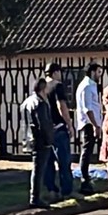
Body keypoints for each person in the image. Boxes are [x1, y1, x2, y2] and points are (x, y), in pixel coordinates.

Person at [44, 63, 78, 198]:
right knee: (64, 161)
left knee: (48, 162)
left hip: (45, 129)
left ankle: (51, 189)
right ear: (55, 72)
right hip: (58, 127)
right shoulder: (57, 86)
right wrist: (69, 124)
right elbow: (61, 105)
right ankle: (67, 191)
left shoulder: (41, 88)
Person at [21, 78, 54, 210]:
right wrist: (49, 140)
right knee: (39, 169)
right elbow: (43, 124)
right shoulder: (40, 103)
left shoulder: (26, 102)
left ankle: (35, 196)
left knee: (37, 168)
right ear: (43, 89)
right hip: (40, 140)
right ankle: (35, 197)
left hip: (30, 139)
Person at [75, 62, 104, 191]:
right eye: (98, 72)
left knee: (88, 151)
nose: (100, 75)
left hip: (91, 123)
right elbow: (88, 109)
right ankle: (84, 180)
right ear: (92, 72)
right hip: (88, 124)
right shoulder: (87, 86)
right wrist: (95, 125)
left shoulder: (91, 86)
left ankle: (86, 178)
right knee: (86, 151)